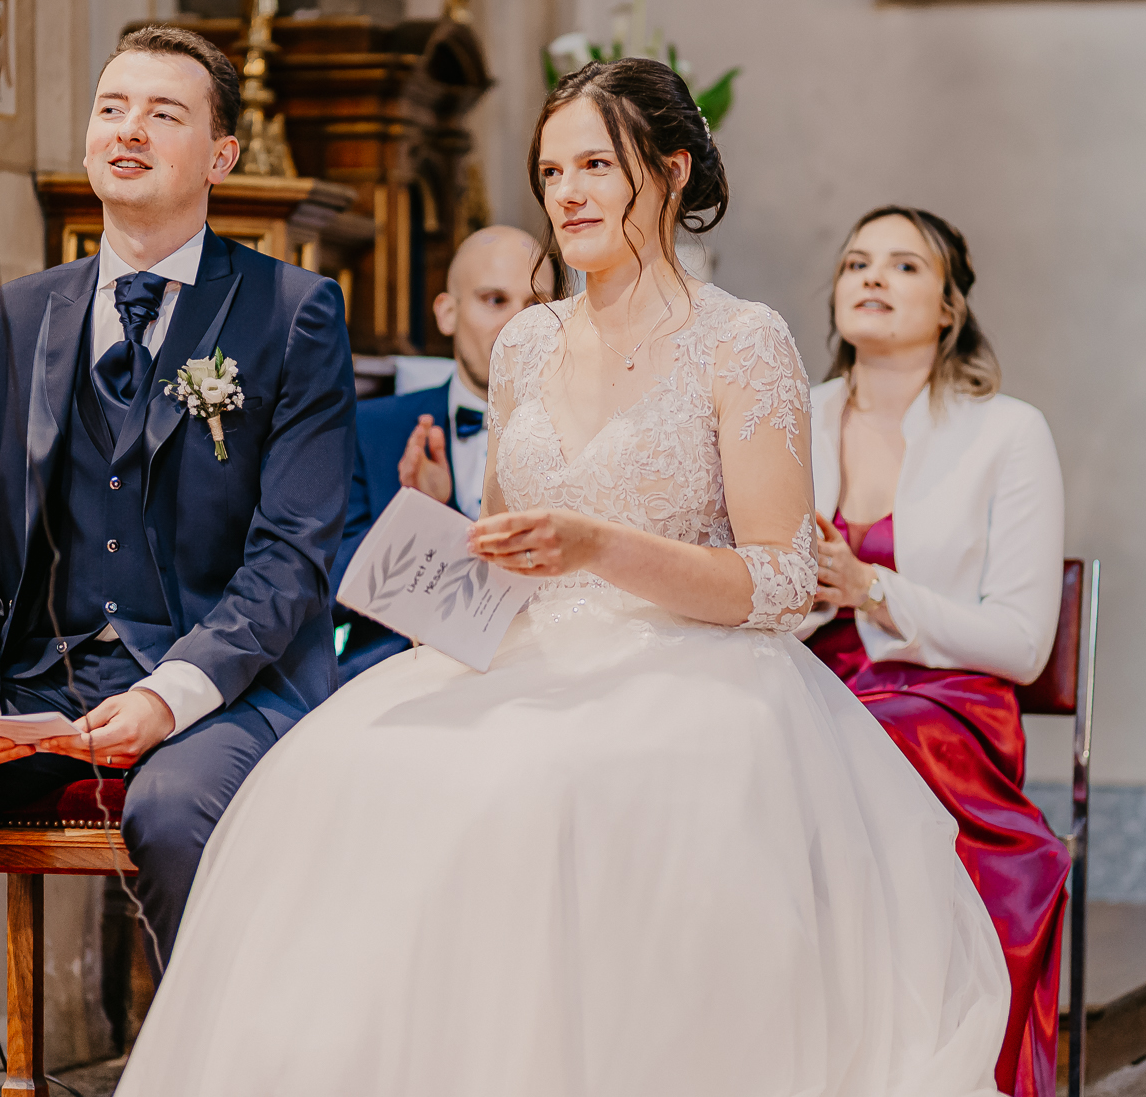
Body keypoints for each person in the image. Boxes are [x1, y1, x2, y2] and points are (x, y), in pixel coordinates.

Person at [114, 59, 1009, 1097]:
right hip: (521, 651)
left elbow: (778, 579)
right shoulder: (527, 343)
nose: (568, 193)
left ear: (669, 171)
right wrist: (438, 552)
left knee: (541, 789)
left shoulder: (741, 339)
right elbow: (512, 547)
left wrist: (602, 548)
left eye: (596, 165)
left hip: (689, 666)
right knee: (340, 773)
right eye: (550, 172)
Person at [0, 26, 355, 1097]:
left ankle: (234, 1079)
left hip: (222, 688)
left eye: (163, 112)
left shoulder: (292, 313)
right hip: (39, 680)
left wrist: (167, 696)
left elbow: (291, 558)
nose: (128, 130)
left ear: (222, 155)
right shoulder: (13, 317)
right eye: (112, 107)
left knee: (173, 815)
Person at [805, 206, 1069, 1097]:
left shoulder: (1008, 433)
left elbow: (1024, 644)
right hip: (807, 681)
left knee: (867, 745)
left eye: (904, 265)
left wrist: (871, 588)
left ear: (951, 306)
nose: (872, 277)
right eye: (856, 262)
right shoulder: (787, 419)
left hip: (945, 706)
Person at [333, 225, 553, 679]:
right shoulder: (371, 428)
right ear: (447, 313)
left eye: (536, 306)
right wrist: (423, 517)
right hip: (398, 670)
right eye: (495, 300)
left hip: (539, 662)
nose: (518, 325)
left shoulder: (586, 435)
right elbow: (329, 587)